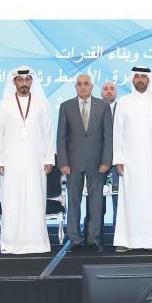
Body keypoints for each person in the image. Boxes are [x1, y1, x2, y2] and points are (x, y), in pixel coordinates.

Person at [0, 66, 54, 255]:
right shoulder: (5, 104)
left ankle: (37, 242)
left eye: (27, 80)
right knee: (12, 201)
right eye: (20, 80)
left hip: (36, 161)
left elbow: (48, 133)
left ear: (32, 81)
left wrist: (49, 158)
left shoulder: (41, 104)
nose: (24, 83)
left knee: (35, 200)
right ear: (14, 82)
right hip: (11, 162)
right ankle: (11, 243)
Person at [112, 66, 152, 250]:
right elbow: (117, 133)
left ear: (149, 79)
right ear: (132, 79)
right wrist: (118, 158)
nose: (139, 80)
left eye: (143, 77)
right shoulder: (124, 102)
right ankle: (126, 242)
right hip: (129, 162)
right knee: (129, 200)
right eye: (136, 76)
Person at [57, 73, 113, 251]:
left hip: (97, 163)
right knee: (73, 202)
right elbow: (61, 138)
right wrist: (63, 162)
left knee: (96, 203)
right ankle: (74, 240)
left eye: (86, 84)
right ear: (75, 87)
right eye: (79, 84)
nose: (83, 87)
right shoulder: (65, 107)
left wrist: (106, 160)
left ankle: (93, 239)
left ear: (91, 86)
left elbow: (108, 137)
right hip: (72, 163)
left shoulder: (103, 106)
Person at [101, 80, 120, 221]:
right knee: (95, 203)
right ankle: (94, 233)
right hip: (98, 162)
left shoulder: (123, 109)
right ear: (101, 92)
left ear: (116, 92)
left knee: (119, 202)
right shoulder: (93, 108)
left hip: (117, 162)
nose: (109, 91)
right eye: (106, 89)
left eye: (112, 89)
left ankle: (118, 233)